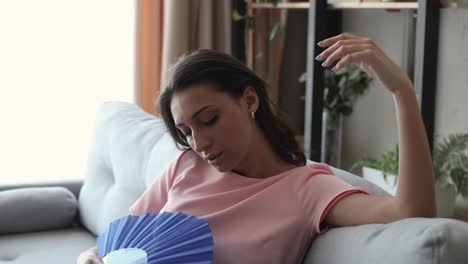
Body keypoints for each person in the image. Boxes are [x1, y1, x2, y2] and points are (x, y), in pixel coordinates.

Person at [77, 33, 436, 264]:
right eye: (186, 131)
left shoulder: (309, 188)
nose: (199, 144)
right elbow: (118, 242)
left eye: (209, 119)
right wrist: (89, 258)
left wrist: (401, 92)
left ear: (249, 99)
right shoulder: (185, 168)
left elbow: (412, 212)